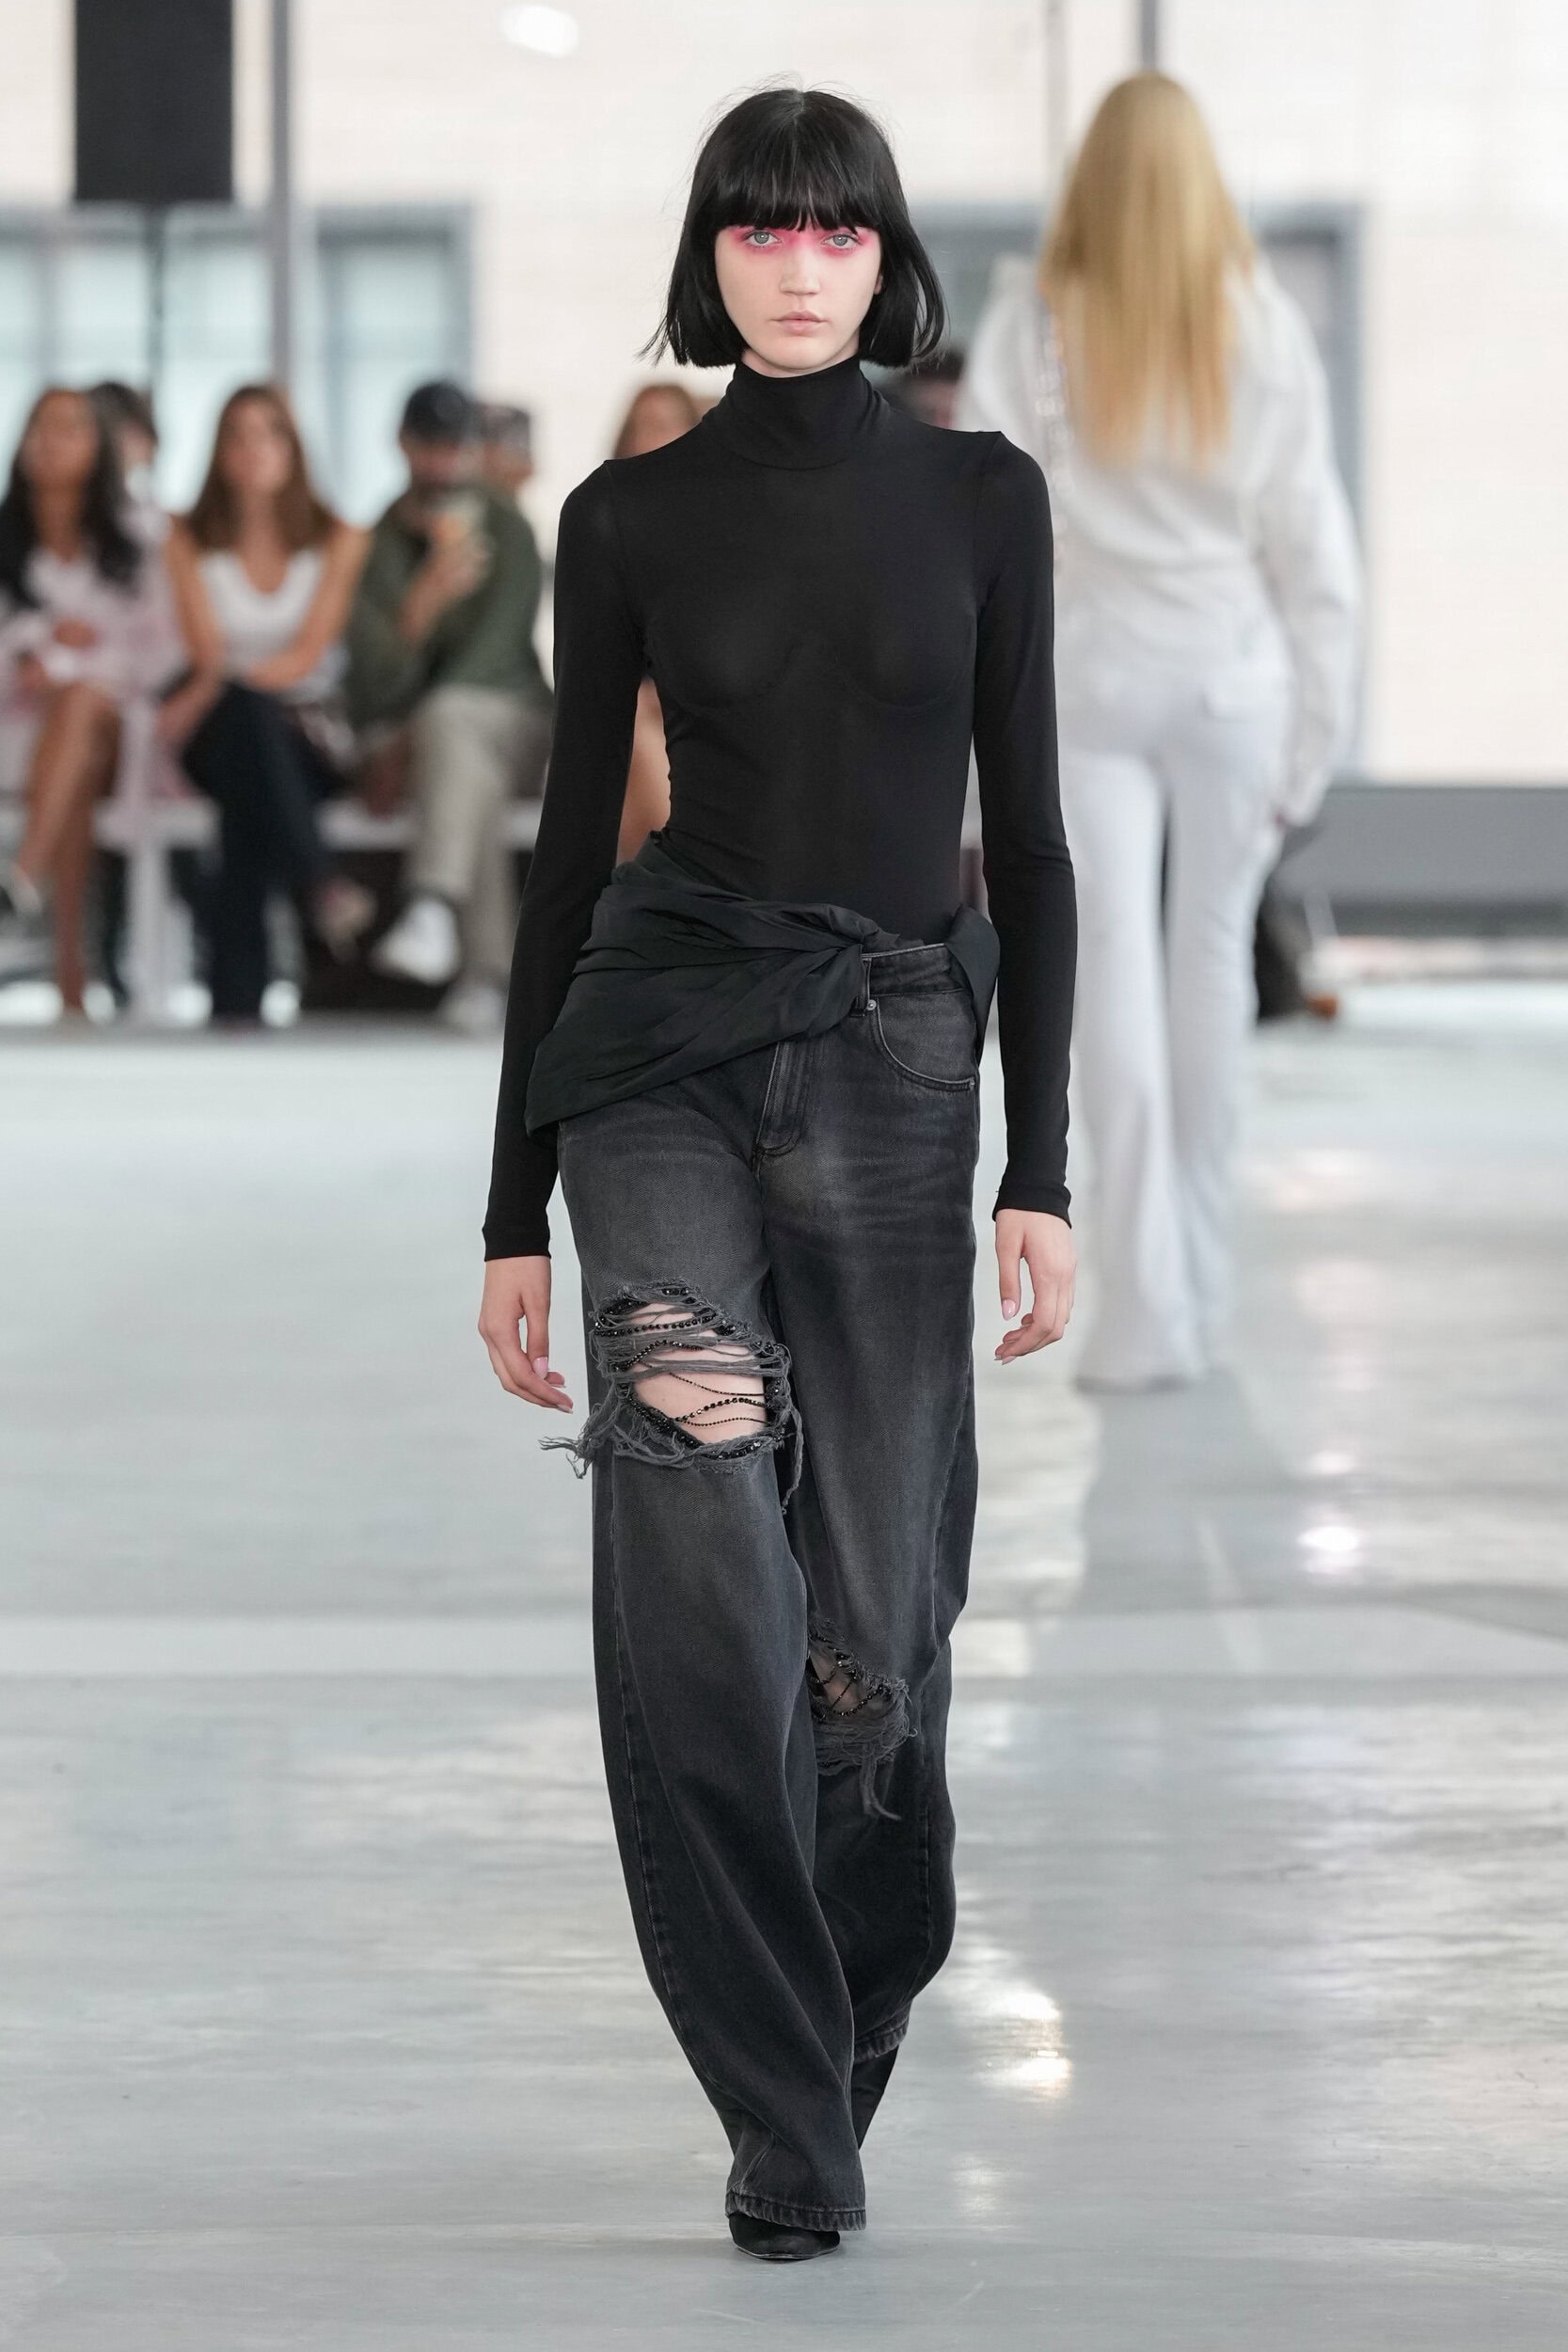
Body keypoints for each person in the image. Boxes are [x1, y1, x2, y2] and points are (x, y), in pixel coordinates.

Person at [478, 87, 1076, 2259]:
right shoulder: (626, 516)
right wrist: (508, 1203)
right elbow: (566, 860)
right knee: (690, 1510)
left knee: (871, 1640)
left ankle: (843, 2012)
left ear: (886, 257)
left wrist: (1041, 1165)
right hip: (657, 1050)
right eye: (758, 227)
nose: (797, 264)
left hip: (899, 1061)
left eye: (834, 229)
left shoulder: (984, 497)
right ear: (709, 255)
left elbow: (1028, 842)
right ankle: (775, 2103)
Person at [958, 72, 1360, 1388]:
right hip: (1234, 679)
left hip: (1087, 677)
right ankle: (1198, 1282)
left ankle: (1140, 1316)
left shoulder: (1031, 320)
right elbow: (1313, 553)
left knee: (1106, 986)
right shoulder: (1260, 323)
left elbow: (983, 528)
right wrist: (1312, 747)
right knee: (1207, 973)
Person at [162, 385, 372, 1023]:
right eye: (238, 435)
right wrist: (236, 690)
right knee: (245, 722)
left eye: (269, 432)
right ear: (219, 450)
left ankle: (236, 998)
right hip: (218, 723)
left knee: (246, 786)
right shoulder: (185, 537)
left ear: (293, 447)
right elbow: (206, 653)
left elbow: (307, 654)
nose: (254, 449)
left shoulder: (341, 535)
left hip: (308, 734)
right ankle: (319, 883)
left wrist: (239, 686)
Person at [348, 381, 553, 1028]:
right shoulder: (377, 542)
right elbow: (369, 680)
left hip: (515, 720)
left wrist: (412, 728)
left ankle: (433, 900)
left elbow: (494, 657)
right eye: (429, 446)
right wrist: (422, 603)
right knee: (467, 772)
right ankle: (483, 974)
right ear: (403, 445)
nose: (442, 462)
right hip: (443, 749)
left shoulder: (506, 529)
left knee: (451, 724)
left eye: (454, 447)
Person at [0, 387, 176, 1006]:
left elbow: (161, 652)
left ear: (100, 446)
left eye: (71, 428)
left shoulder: (141, 538)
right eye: (39, 427)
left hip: (122, 720)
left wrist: (65, 659)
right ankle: (68, 968)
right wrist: (38, 648)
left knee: (79, 706)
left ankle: (25, 878)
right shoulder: (6, 542)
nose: (51, 442)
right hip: (29, 728)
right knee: (72, 754)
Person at [608, 382, 705, 859]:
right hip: (636, 710)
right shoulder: (604, 531)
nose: (654, 439)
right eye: (643, 427)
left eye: (668, 425)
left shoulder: (730, 530)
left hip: (707, 703)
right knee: (631, 727)